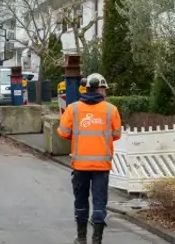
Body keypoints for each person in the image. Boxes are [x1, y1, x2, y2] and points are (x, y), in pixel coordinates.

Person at [58, 73, 122, 244]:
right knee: (100, 202)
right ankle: (97, 240)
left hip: (80, 165)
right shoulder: (111, 110)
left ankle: (81, 238)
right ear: (100, 89)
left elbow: (63, 133)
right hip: (102, 165)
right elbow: (116, 135)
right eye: (105, 89)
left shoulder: (73, 109)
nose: (105, 92)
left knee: (81, 200)